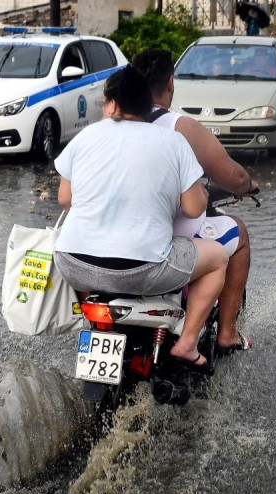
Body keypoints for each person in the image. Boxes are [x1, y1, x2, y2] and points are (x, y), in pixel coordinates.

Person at [53, 65, 228, 372]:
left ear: (112, 103)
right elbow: (193, 208)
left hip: (73, 263)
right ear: (148, 104)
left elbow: (65, 199)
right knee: (218, 257)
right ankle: (187, 344)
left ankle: (96, 330)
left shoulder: (85, 136)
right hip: (142, 268)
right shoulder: (171, 142)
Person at [133, 48, 257, 354]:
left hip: (118, 240)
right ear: (170, 83)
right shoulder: (179, 127)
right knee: (238, 233)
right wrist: (247, 185)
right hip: (169, 244)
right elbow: (231, 177)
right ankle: (226, 333)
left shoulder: (114, 124)